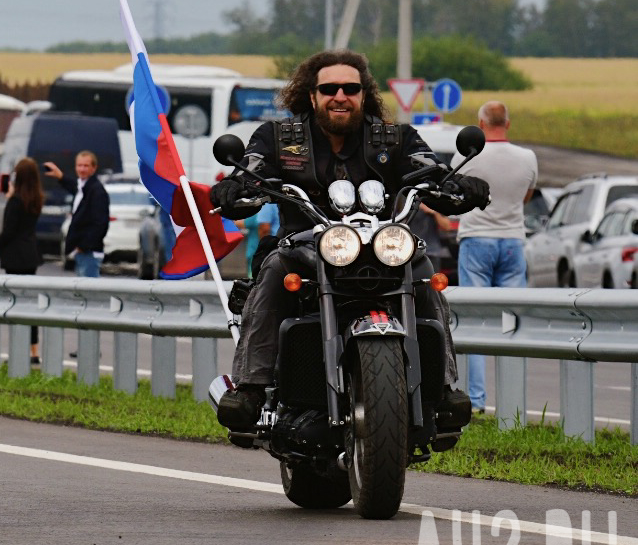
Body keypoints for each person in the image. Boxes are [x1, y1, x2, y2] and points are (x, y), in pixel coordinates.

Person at [207, 49, 485, 432]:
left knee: (422, 267)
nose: (340, 95)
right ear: (311, 94)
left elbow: (430, 172)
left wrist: (457, 186)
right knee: (274, 267)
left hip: (380, 249)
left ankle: (444, 383)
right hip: (304, 246)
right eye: (330, 88)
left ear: (364, 94)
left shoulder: (394, 137)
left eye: (350, 88)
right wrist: (236, 190)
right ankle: (251, 385)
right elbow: (251, 172)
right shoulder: (278, 136)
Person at [452, 100, 538, 415]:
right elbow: (527, 195)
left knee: (476, 320)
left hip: (476, 239)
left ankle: (477, 399)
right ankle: (513, 402)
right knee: (512, 321)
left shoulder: (468, 154)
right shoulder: (527, 157)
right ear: (508, 123)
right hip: (513, 241)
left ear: (480, 123)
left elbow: (453, 194)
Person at [0, 157, 44, 363]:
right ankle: (33, 351)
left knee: (15, 305)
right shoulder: (36, 199)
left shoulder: (16, 201)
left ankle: (18, 350)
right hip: (30, 255)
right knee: (29, 305)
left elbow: (9, 231)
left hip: (15, 257)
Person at [46, 150, 109, 278]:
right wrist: (60, 176)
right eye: (79, 165)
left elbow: (100, 224)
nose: (82, 169)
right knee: (82, 294)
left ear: (94, 168)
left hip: (89, 253)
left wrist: (83, 246)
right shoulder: (84, 187)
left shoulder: (97, 191)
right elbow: (74, 187)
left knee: (88, 294)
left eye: (86, 166)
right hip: (82, 253)